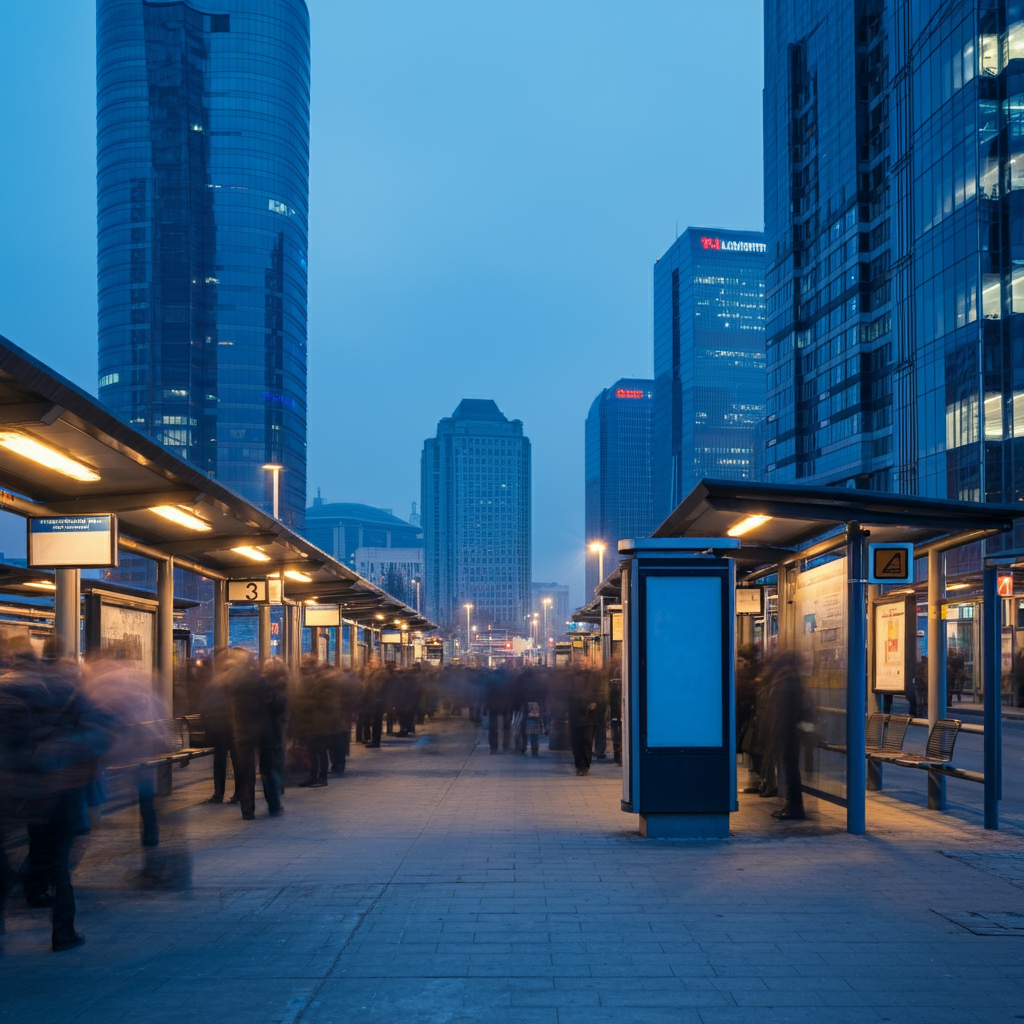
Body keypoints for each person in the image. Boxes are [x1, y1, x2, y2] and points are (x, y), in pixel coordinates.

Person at [0, 658, 114, 951]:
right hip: (59, 791)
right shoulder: (69, 693)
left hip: (16, 790)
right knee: (59, 864)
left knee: (13, 857)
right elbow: (101, 732)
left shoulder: (9, 692)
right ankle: (63, 932)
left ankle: (20, 900)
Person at [225, 650, 284, 819]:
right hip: (262, 731)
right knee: (267, 769)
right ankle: (274, 805)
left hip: (242, 731)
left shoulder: (231, 682)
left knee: (246, 771)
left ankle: (247, 809)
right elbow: (277, 703)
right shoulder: (259, 682)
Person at [198, 660, 239, 804]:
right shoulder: (236, 686)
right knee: (236, 760)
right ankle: (238, 793)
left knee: (220, 761)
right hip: (233, 728)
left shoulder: (214, 685)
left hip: (219, 728)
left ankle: (219, 793)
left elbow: (204, 705)